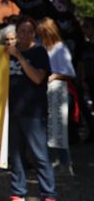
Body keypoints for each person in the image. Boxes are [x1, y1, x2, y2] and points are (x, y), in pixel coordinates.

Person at [4, 17, 56, 201]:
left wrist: (19, 56)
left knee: (39, 155)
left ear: (34, 34)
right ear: (16, 32)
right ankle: (18, 192)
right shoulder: (6, 53)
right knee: (16, 156)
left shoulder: (39, 52)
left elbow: (37, 78)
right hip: (13, 111)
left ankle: (48, 193)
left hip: (33, 112)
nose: (25, 34)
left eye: (29, 31)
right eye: (22, 31)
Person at [37, 17, 76, 175]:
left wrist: (54, 76)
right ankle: (56, 161)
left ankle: (65, 163)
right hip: (45, 90)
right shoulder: (42, 47)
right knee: (46, 129)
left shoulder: (60, 48)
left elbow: (70, 72)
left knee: (58, 129)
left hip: (59, 90)